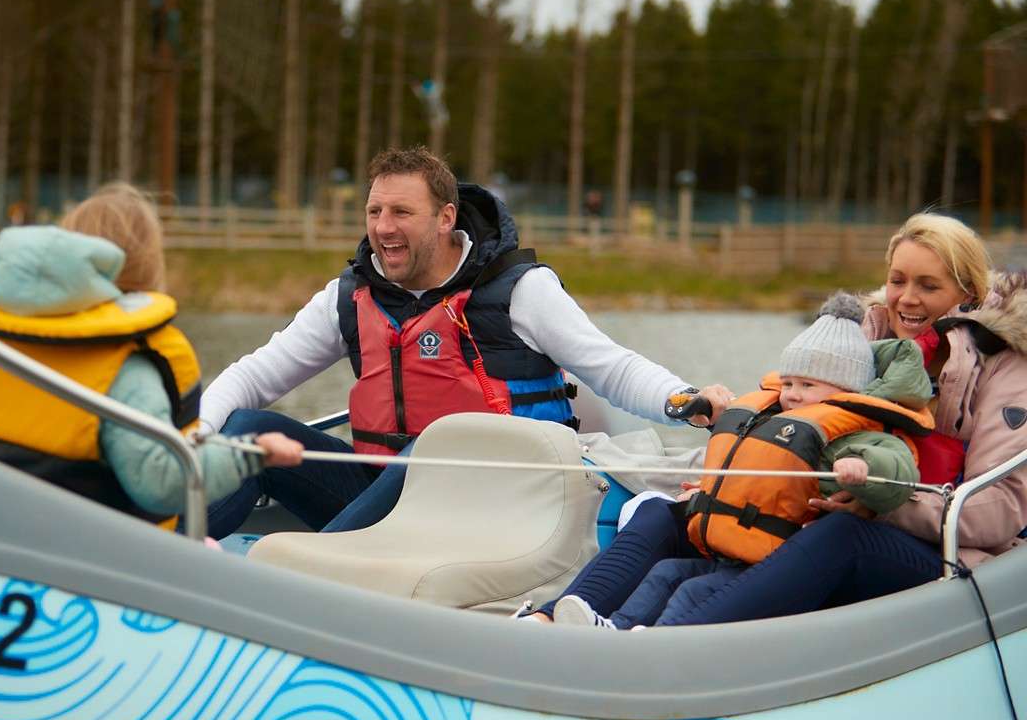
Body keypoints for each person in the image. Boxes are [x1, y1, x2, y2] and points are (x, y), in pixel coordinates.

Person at [198, 146, 728, 538]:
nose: (383, 228)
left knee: (434, 444)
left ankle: (321, 570)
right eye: (374, 211)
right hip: (381, 500)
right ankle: (164, 554)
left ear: (445, 217)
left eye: (401, 213)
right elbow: (252, 376)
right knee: (246, 431)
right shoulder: (350, 298)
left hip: (495, 507)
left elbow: (612, 368)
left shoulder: (521, 290)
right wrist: (195, 431)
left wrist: (684, 401)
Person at [535, 212, 1027, 629]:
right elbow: (787, 426)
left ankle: (674, 648)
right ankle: (552, 623)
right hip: (814, 510)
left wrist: (879, 503)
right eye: (898, 280)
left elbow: (998, 513)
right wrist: (728, 483)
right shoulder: (856, 340)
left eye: (928, 285)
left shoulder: (1006, 370)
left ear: (967, 292)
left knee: (839, 536)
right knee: (668, 512)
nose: (907, 299)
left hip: (942, 556)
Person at [538, 293, 933, 629]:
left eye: (807, 386)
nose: (793, 394)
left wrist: (864, 474)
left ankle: (656, 641)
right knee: (665, 571)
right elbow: (762, 452)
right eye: (790, 383)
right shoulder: (783, 414)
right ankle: (605, 626)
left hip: (780, 542)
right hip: (730, 539)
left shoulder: (857, 430)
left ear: (844, 389)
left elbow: (895, 465)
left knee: (692, 589)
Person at [0, 181, 303, 524]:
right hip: (87, 557)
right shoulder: (126, 369)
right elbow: (161, 485)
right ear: (147, 266)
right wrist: (249, 456)